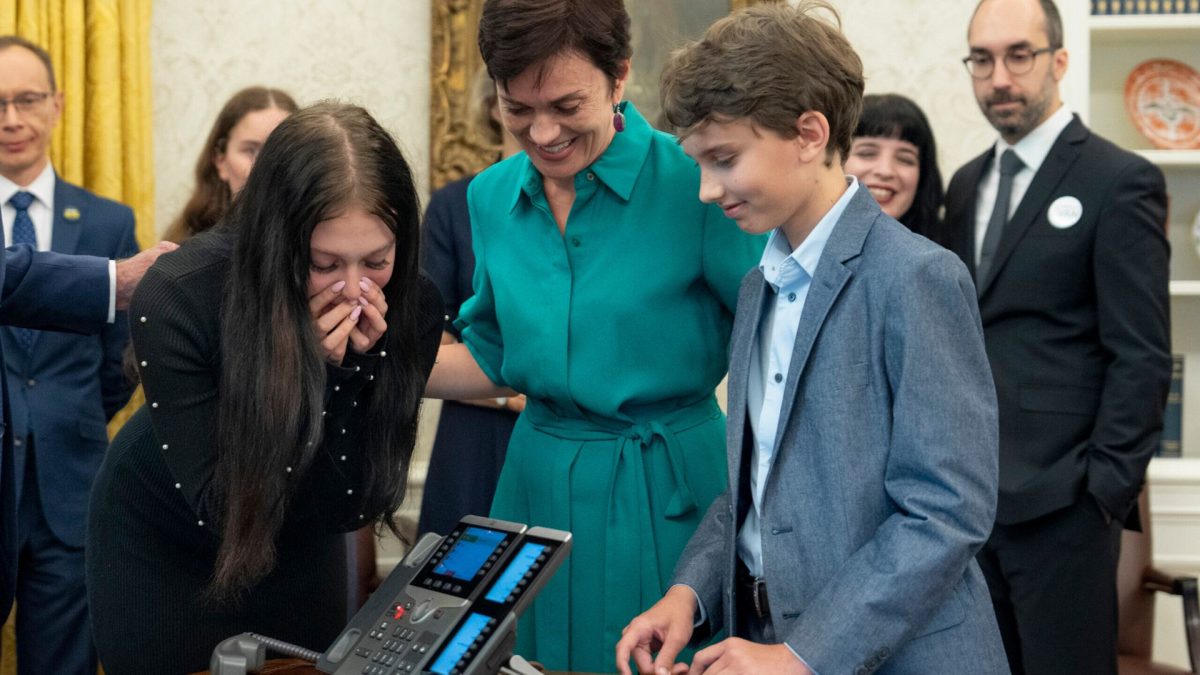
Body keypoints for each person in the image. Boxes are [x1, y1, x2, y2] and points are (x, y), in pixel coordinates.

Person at [616, 4, 1008, 674]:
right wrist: (689, 590)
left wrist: (803, 652)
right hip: (766, 636)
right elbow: (757, 483)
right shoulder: (756, 286)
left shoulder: (916, 277)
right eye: (698, 164)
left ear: (808, 133)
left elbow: (945, 512)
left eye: (724, 159)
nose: (707, 190)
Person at [422, 0, 766, 669]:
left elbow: (770, 344)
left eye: (565, 105)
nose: (542, 131)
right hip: (532, 488)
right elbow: (496, 355)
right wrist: (369, 360)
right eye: (516, 109)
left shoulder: (696, 182)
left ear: (619, 78)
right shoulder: (490, 197)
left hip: (664, 487)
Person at [85, 102, 444, 674]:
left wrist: (347, 375)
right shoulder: (181, 296)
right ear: (279, 244)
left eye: (375, 260)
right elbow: (226, 512)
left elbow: (356, 502)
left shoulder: (412, 301)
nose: (354, 290)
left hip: (303, 537)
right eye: (324, 263)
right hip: (169, 540)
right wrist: (309, 372)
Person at [944, 1, 1170, 673]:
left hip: (1063, 507)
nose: (999, 78)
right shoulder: (966, 183)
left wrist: (1101, 493)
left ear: (1059, 61)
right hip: (970, 507)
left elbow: (1142, 353)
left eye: (1020, 55)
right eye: (981, 60)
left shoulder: (1119, 180)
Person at [0, 35, 176, 658]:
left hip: (70, 490)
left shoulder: (106, 221)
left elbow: (118, 357)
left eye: (27, 99)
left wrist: (70, 419)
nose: (12, 120)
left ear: (59, 104)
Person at [417, 68, 524, 539]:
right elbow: (424, 347)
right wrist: (513, 395)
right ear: (492, 106)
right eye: (519, 103)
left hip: (567, 435)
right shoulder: (451, 206)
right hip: (474, 438)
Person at [162, 86, 297, 243]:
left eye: (279, 150)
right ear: (220, 160)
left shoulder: (319, 243)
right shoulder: (185, 252)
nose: (264, 166)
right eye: (251, 151)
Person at [843, 93, 952, 248]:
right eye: (867, 153)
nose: (886, 171)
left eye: (905, 159)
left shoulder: (945, 261)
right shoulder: (802, 244)